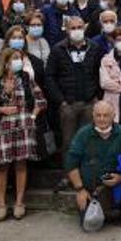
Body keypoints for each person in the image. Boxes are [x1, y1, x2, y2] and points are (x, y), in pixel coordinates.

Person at [0, 49, 45, 221]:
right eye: (16, 58)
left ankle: (19, 202)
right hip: (4, 127)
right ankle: (2, 203)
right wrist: (1, 108)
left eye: (21, 58)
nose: (19, 61)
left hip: (24, 127)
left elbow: (40, 100)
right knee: (2, 167)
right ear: (6, 62)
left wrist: (32, 117)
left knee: (21, 165)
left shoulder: (26, 78)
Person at [66, 102, 121, 230]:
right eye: (98, 115)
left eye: (106, 115)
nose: (101, 119)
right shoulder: (83, 134)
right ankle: (105, 209)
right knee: (89, 224)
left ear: (113, 115)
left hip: (118, 184)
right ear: (93, 116)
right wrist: (80, 190)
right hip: (90, 187)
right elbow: (71, 162)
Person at [44, 16, 104, 154]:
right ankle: (69, 175)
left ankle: (87, 174)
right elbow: (50, 76)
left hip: (90, 103)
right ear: (67, 30)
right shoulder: (58, 49)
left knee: (89, 141)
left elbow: (100, 72)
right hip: (68, 105)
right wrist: (61, 101)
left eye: (79, 27)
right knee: (69, 143)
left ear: (84, 28)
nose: (77, 30)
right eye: (73, 28)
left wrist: (97, 97)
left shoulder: (94, 47)